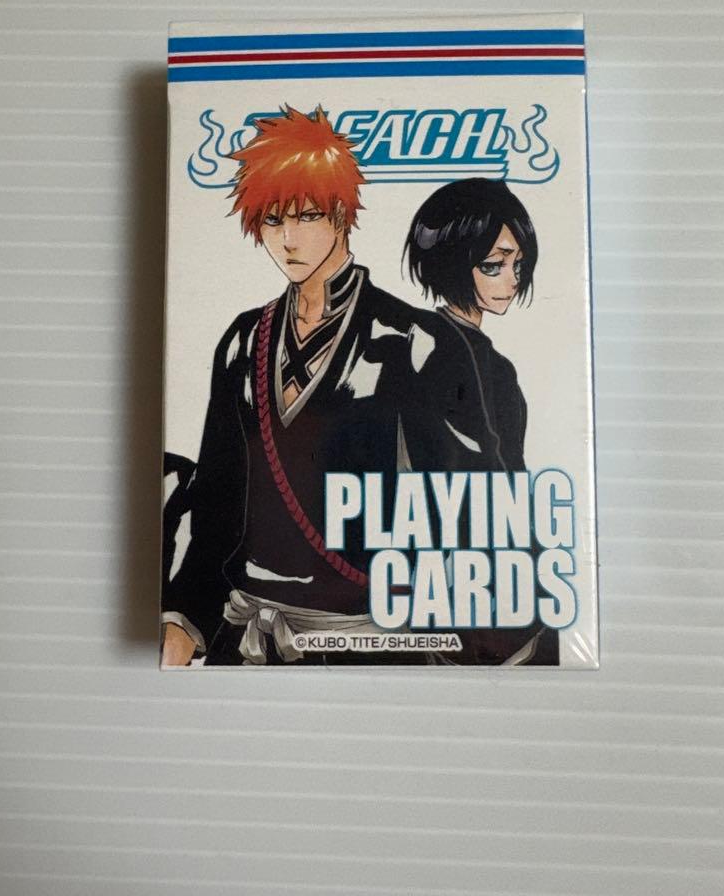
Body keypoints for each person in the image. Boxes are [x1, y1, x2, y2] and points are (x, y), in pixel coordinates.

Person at [161, 106, 497, 666]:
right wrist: (180, 625)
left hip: (370, 643)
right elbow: (216, 515)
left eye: (308, 215)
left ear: (341, 214)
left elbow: (473, 508)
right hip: (247, 637)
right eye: (273, 221)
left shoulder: (416, 341)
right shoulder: (245, 339)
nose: (288, 239)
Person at [404, 178, 557, 665]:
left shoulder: (462, 353)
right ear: (452, 262)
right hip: (463, 575)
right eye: (493, 264)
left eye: (518, 265)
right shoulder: (453, 355)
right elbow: (497, 474)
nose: (512, 279)